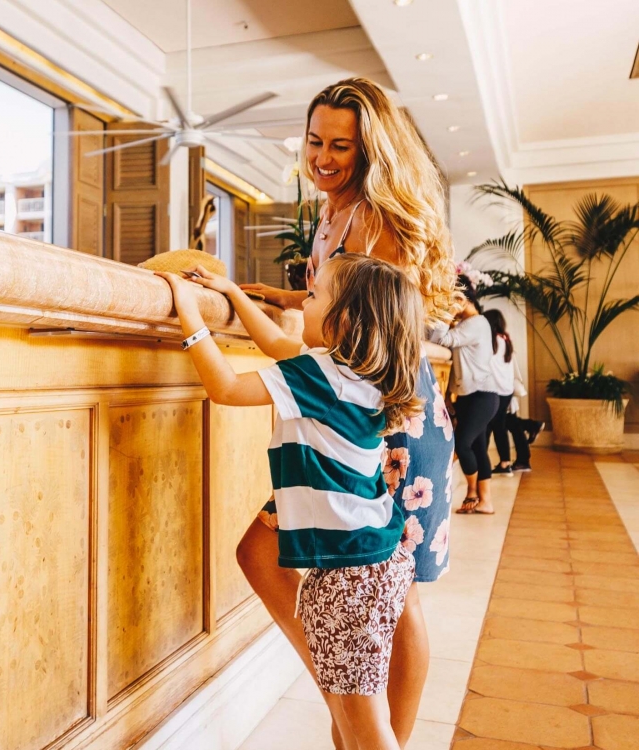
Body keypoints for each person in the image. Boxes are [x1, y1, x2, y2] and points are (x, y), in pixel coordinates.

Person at [238, 77, 457, 748]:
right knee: (264, 553)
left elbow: (366, 333)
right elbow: (339, 307)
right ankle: (355, 708)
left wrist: (255, 312)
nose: (325, 157)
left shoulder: (377, 216)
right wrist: (273, 292)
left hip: (389, 420)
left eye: (342, 145)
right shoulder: (335, 211)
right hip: (355, 420)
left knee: (401, 594)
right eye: (315, 141)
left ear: (371, 149)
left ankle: (376, 732)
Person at [158, 254, 425, 750]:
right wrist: (234, 294)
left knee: (364, 727)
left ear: (344, 320)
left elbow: (227, 388)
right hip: (380, 561)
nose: (303, 303)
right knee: (353, 717)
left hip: (346, 576)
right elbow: (281, 345)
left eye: (314, 296)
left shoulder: (318, 373)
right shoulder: (362, 372)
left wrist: (191, 316)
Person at [429, 278, 499, 514]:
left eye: (451, 298)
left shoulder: (476, 323)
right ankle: (485, 501)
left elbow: (440, 340)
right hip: (473, 396)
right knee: (478, 447)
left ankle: (471, 492)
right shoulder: (472, 323)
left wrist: (448, 313)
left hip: (482, 396)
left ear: (461, 298)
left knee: (461, 443)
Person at [483, 309, 543, 474]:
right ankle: (505, 462)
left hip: (494, 390)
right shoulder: (505, 340)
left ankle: (500, 464)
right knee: (500, 426)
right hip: (506, 391)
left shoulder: (491, 341)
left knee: (493, 427)